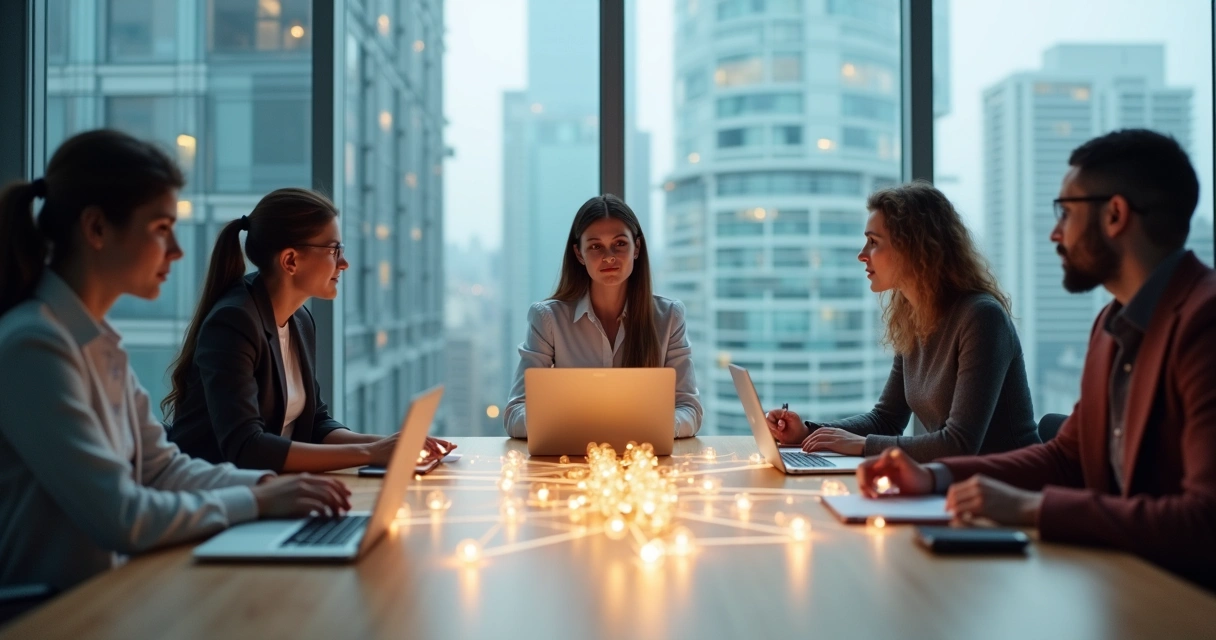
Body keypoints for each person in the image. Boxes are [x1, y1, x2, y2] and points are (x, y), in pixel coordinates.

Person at [858, 130, 1216, 591]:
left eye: (1065, 212)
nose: (1054, 231)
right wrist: (933, 477)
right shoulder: (1111, 323)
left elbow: (1205, 522)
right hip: (1122, 581)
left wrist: (1031, 508)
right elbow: (1067, 459)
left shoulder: (1204, 324)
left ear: (1115, 214)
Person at [0, 130, 350, 590]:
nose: (177, 250)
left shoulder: (96, 343)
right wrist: (260, 502)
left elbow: (162, 469)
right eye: (161, 229)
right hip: (53, 614)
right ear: (97, 228)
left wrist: (265, 487)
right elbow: (123, 515)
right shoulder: (34, 345)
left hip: (111, 595)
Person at [164, 188, 453, 473]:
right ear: (290, 260)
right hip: (214, 496)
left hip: (272, 488)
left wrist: (397, 445)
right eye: (333, 250)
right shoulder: (233, 322)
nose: (344, 262)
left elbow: (314, 423)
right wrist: (370, 452)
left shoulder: (299, 319)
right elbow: (246, 448)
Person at [765, 181, 1040, 462]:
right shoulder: (914, 318)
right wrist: (808, 432)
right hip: (956, 483)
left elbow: (959, 444)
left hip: (1012, 489)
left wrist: (862, 445)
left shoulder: (982, 317)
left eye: (874, 242)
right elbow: (886, 419)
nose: (862, 254)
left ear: (914, 248)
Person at [504, 194, 702, 438]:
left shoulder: (669, 316)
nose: (609, 256)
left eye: (620, 243)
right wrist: (579, 426)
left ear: (636, 248)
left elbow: (689, 410)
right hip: (573, 462)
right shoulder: (548, 319)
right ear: (579, 254)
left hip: (645, 462)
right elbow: (515, 414)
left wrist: (654, 427)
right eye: (596, 246)